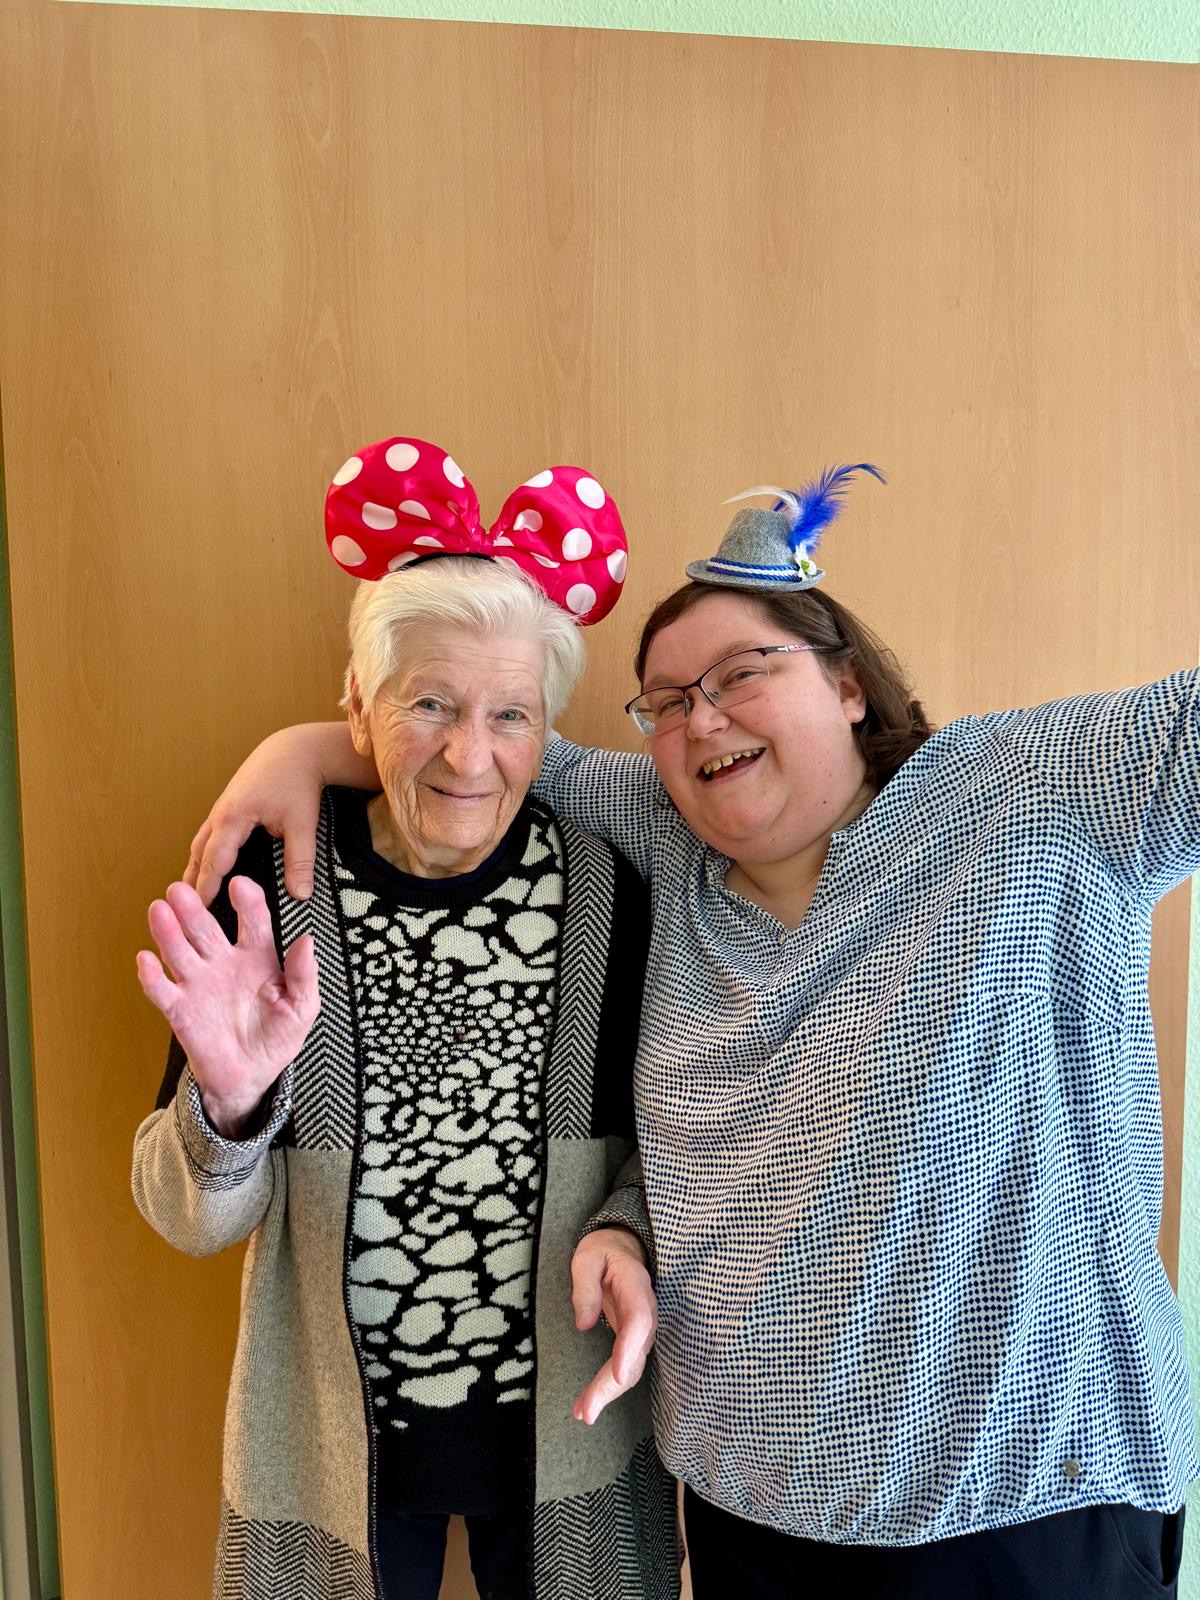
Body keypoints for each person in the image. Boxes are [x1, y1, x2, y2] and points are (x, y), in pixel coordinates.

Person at [186, 462, 1199, 1599]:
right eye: (665, 702)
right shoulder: (662, 841)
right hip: (746, 1517)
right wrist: (299, 748)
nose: (701, 718)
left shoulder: (1036, 789)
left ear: (848, 683)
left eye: (741, 673)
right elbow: (486, 753)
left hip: (1033, 1505)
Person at [132, 437, 681, 1600]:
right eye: (428, 702)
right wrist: (229, 1105)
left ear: (549, 728)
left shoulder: (605, 895)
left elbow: (664, 1155)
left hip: (569, 1444)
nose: (469, 755)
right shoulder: (270, 888)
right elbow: (186, 1220)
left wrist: (623, 1231)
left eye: (510, 714)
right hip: (326, 1458)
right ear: (356, 701)